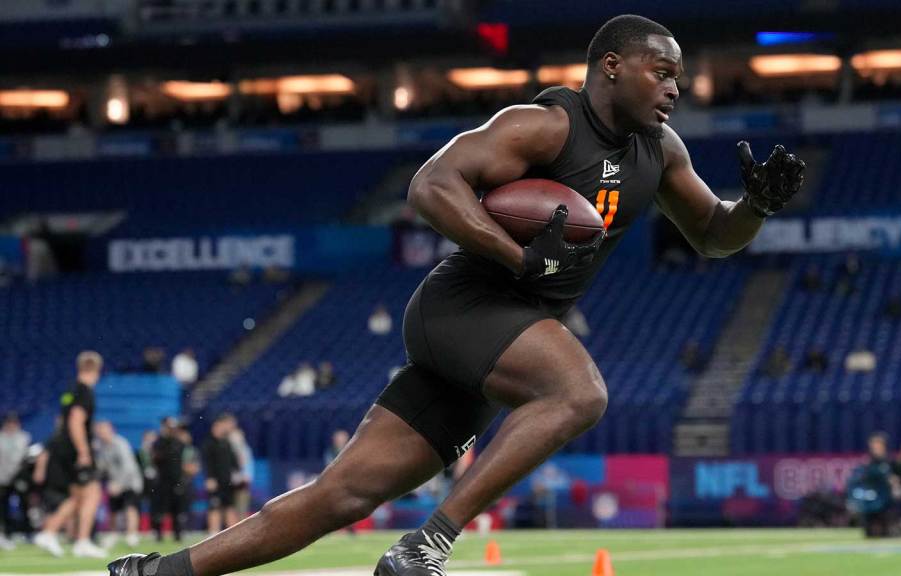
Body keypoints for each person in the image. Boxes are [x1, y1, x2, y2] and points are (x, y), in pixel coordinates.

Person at [110, 14, 804, 576]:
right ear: (611, 65)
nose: (675, 89)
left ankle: (159, 573)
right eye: (663, 71)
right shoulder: (546, 125)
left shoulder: (663, 151)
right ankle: (427, 544)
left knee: (344, 493)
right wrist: (519, 257)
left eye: (679, 78)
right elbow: (431, 185)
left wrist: (757, 210)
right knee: (579, 393)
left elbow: (714, 235)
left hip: (506, 330)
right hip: (466, 307)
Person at [35, 351, 107, 558]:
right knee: (92, 493)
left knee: (77, 497)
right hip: (74, 450)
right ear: (96, 369)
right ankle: (81, 541)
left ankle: (50, 533)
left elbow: (63, 420)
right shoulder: (85, 391)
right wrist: (84, 452)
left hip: (62, 448)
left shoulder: (70, 390)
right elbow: (76, 421)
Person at [94, 421, 144, 548]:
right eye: (99, 431)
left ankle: (132, 535)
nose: (101, 434)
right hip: (114, 483)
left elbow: (128, 467)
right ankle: (113, 534)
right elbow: (102, 467)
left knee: (130, 507)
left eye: (103, 430)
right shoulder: (101, 446)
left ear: (111, 430)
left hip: (130, 482)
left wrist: (119, 484)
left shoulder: (120, 443)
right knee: (113, 510)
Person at [151, 417, 187, 543]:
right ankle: (158, 535)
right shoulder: (159, 442)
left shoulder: (179, 443)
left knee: (177, 509)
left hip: (176, 480)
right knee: (160, 509)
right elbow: (156, 458)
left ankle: (178, 534)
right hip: (162, 480)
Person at [202, 415, 239, 534]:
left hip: (227, 481)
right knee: (214, 507)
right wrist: (209, 478)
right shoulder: (209, 444)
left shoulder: (227, 442)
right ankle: (213, 533)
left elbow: (235, 463)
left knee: (229, 506)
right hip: (215, 481)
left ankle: (234, 533)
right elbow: (206, 463)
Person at [0, 412, 30, 550]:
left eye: (14, 422)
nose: (12, 425)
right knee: (3, 507)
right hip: (2, 477)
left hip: (19, 477)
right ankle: (5, 533)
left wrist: (22, 475)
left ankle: (26, 532)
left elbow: (25, 458)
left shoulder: (24, 437)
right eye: (9, 422)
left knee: (25, 504)